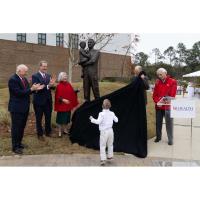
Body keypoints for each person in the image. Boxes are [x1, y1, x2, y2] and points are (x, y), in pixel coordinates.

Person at [8, 64, 44, 154]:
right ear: (19, 71)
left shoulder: (24, 79)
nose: (26, 73)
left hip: (24, 108)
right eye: (25, 71)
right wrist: (32, 89)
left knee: (22, 127)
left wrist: (35, 89)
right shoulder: (13, 80)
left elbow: (27, 91)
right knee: (16, 128)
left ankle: (19, 143)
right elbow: (18, 93)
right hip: (16, 108)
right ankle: (15, 147)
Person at [32, 60, 56, 141]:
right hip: (39, 101)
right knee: (39, 118)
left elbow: (51, 87)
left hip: (48, 101)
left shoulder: (49, 75)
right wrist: (48, 86)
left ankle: (48, 132)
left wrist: (53, 85)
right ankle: (40, 134)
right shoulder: (35, 76)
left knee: (48, 117)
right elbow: (38, 88)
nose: (45, 68)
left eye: (46, 66)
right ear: (40, 66)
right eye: (43, 66)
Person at [89, 99, 118, 166]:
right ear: (110, 106)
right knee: (110, 144)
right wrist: (112, 117)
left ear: (102, 106)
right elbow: (116, 120)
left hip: (104, 132)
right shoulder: (112, 113)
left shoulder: (101, 114)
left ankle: (103, 159)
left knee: (102, 145)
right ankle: (110, 157)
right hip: (111, 131)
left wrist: (92, 119)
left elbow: (98, 122)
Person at [153, 68, 177, 145]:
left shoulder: (172, 81)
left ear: (165, 73)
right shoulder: (157, 82)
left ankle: (170, 139)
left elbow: (172, 95)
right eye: (158, 75)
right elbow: (154, 95)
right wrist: (157, 101)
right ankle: (158, 137)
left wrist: (163, 100)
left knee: (169, 123)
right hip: (159, 106)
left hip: (168, 106)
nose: (159, 76)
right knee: (158, 123)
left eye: (161, 74)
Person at [54, 72, 79, 137]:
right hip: (61, 105)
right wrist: (63, 100)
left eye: (66, 76)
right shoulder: (59, 86)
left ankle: (65, 130)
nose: (65, 77)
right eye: (63, 76)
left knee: (67, 118)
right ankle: (59, 131)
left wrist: (76, 91)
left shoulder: (68, 84)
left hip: (68, 105)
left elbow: (71, 92)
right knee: (60, 119)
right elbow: (57, 96)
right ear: (60, 77)